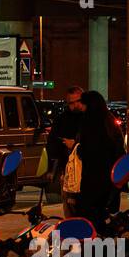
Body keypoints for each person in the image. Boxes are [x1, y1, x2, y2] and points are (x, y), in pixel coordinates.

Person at [72, 90, 122, 231]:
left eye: (83, 103)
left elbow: (87, 150)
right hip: (110, 180)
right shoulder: (109, 120)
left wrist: (77, 148)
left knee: (89, 217)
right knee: (103, 218)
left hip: (93, 179)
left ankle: (92, 248)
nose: (80, 106)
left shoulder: (89, 122)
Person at [46, 86, 85, 216]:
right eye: (71, 103)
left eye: (77, 101)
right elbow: (53, 143)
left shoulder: (89, 118)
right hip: (68, 171)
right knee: (70, 209)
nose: (75, 105)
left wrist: (75, 144)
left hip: (86, 172)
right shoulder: (62, 119)